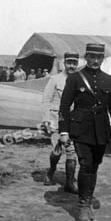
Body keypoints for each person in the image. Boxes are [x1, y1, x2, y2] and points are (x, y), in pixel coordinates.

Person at [59, 43, 111, 221]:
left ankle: (87, 203)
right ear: (86, 57)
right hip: (80, 128)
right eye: (92, 57)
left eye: (99, 57)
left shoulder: (109, 80)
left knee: (94, 166)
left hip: (101, 129)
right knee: (85, 165)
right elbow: (64, 106)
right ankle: (83, 207)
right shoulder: (75, 78)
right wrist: (64, 130)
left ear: (102, 58)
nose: (95, 61)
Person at [41, 53, 79, 193]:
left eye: (74, 63)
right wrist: (46, 119)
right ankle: (51, 170)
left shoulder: (80, 80)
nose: (71, 66)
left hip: (73, 122)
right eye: (69, 62)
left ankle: (69, 182)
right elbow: (46, 100)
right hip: (56, 120)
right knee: (57, 151)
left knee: (71, 151)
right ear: (64, 63)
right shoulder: (55, 79)